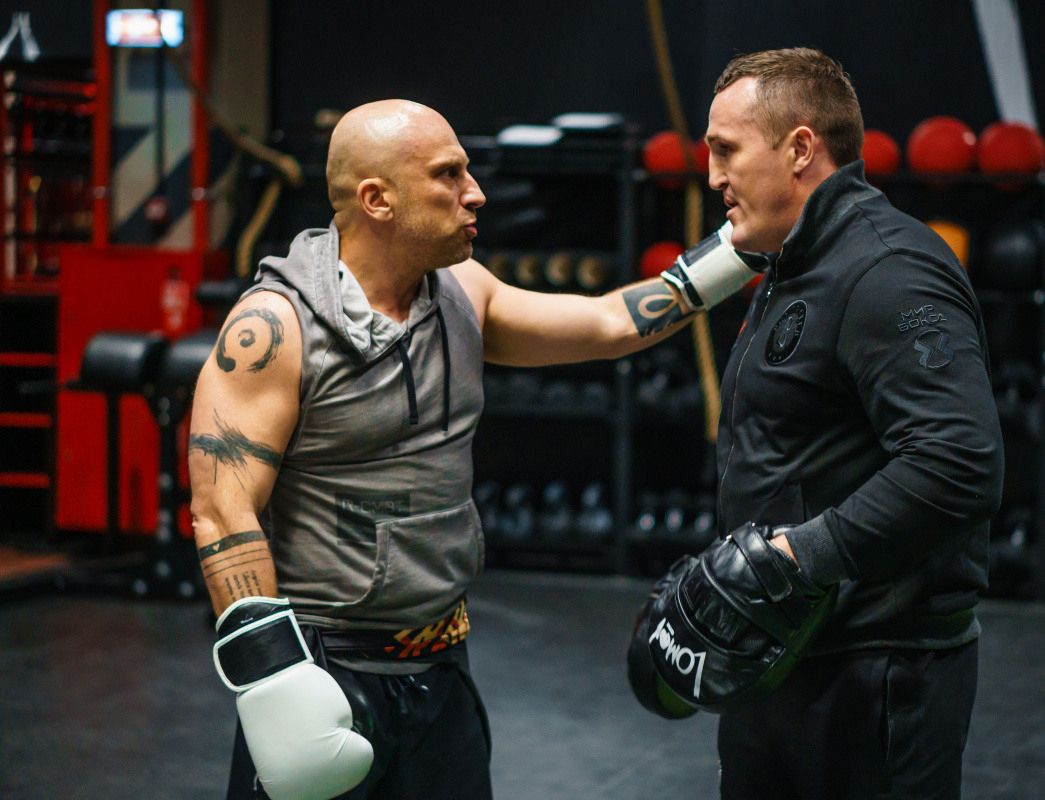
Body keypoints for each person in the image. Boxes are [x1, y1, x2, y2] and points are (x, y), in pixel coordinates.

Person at [188, 98, 762, 800]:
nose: (476, 192)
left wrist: (737, 251)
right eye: (447, 174)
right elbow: (223, 507)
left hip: (440, 670)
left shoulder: (464, 293)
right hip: (323, 674)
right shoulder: (275, 327)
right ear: (377, 200)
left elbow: (608, 322)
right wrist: (272, 676)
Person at [638, 48, 1004, 799]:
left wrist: (792, 559)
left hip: (872, 675)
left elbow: (959, 461)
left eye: (726, 151)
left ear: (800, 148)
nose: (712, 177)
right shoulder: (786, 259)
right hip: (786, 657)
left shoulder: (888, 269)